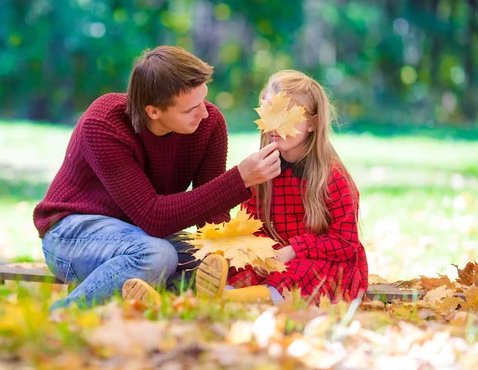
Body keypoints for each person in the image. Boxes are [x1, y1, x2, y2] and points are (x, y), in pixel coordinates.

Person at [33, 46, 282, 309]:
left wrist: (224, 250)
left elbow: (211, 216)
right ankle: (64, 315)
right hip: (72, 232)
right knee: (156, 255)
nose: (205, 113)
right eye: (191, 109)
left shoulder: (208, 124)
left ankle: (163, 313)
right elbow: (153, 217)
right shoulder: (104, 124)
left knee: (210, 259)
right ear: (153, 111)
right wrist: (239, 179)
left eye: (204, 100)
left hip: (139, 234)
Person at [123, 69, 369, 305]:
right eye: (269, 113)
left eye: (287, 115)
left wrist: (293, 250)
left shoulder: (332, 177)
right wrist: (260, 254)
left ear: (313, 123)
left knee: (299, 272)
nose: (275, 125)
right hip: (273, 259)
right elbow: (253, 224)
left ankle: (219, 302)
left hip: (323, 263)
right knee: (234, 269)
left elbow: (345, 243)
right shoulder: (263, 171)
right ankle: (177, 302)